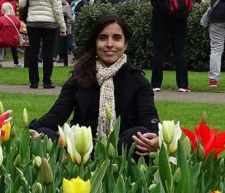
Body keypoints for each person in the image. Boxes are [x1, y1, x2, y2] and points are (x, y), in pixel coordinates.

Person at [29, 14, 160, 157]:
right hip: (81, 148)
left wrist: (155, 136)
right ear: (95, 42)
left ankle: (110, 164)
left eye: (116, 38)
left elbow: (149, 118)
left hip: (121, 150)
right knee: (43, 135)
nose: (110, 44)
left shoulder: (138, 81)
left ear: (126, 43)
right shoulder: (79, 78)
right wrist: (33, 129)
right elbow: (56, 116)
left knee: (139, 134)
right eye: (103, 38)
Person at [19, 0, 66, 89]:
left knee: (33, 51)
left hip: (33, 22)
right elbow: (57, 9)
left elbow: (22, 3)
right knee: (48, 52)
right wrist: (63, 27)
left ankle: (33, 81)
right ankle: (47, 81)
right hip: (49, 23)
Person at [149, 0, 192, 93]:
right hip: (179, 19)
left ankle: (155, 84)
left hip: (161, 19)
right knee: (180, 51)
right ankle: (183, 84)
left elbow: (153, 0)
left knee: (159, 51)